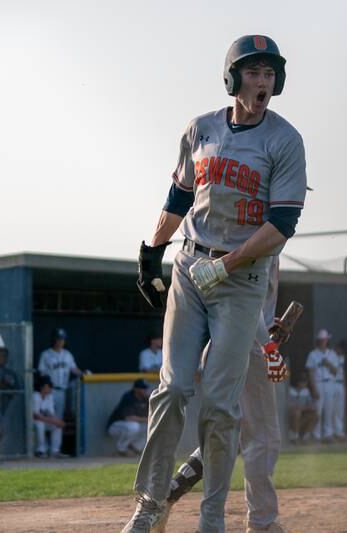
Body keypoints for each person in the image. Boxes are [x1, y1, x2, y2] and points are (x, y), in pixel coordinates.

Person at [122, 34, 307, 533]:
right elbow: (178, 198)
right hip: (190, 267)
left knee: (223, 407)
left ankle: (212, 519)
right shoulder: (200, 129)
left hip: (243, 278)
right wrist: (151, 253)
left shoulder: (284, 141)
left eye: (269, 74)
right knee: (173, 388)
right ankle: (149, 504)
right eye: (253, 72)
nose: (262, 82)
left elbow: (282, 225)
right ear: (233, 78)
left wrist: (227, 266)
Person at [155, 257, 291, 533]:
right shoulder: (259, 244)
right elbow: (246, 305)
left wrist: (267, 327)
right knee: (262, 437)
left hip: (223, 343)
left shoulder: (228, 241)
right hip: (249, 347)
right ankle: (262, 522)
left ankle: (168, 494)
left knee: (226, 434)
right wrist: (267, 346)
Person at [37, 328, 88, 421]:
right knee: (46, 417)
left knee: (58, 419)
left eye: (62, 339)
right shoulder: (45, 354)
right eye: (58, 339)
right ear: (53, 339)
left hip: (62, 391)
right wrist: (44, 390)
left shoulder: (67, 354)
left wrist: (83, 373)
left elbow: (73, 368)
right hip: (49, 391)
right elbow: (41, 373)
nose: (61, 341)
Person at [305, 329, 338, 443]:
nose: (323, 342)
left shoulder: (332, 354)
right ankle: (316, 435)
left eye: (325, 340)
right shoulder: (313, 354)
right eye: (321, 340)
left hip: (329, 383)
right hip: (318, 383)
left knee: (329, 409)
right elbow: (310, 372)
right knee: (318, 410)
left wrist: (328, 363)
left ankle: (328, 434)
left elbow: (335, 371)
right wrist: (314, 388)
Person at [108, 379, 151, 456]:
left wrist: (151, 399)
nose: (145, 390)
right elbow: (129, 418)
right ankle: (121, 449)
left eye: (145, 388)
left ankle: (135, 447)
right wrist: (148, 419)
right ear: (136, 389)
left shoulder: (146, 398)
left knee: (151, 426)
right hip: (115, 426)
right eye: (142, 388)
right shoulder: (128, 397)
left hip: (131, 425)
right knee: (134, 426)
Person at [32, 375, 67, 458]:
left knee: (57, 426)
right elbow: (36, 415)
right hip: (33, 421)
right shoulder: (35, 396)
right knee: (40, 425)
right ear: (42, 387)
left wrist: (57, 421)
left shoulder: (49, 396)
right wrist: (53, 421)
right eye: (47, 386)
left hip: (44, 420)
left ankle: (55, 451)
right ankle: (40, 451)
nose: (50, 388)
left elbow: (51, 413)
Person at [287, 373, 318, 444]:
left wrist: (304, 408)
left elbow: (312, 406)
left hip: (302, 414)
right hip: (290, 416)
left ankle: (305, 437)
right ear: (298, 383)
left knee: (315, 416)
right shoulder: (290, 391)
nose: (305, 384)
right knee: (297, 413)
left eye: (306, 382)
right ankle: (295, 437)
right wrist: (304, 408)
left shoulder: (306, 391)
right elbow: (291, 407)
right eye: (303, 382)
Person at [331, 340, 347, 441]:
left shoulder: (342, 357)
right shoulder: (331, 355)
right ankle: (332, 432)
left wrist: (345, 386)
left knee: (340, 410)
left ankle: (339, 432)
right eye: (341, 349)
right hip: (332, 383)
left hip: (340, 384)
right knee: (332, 410)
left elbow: (343, 372)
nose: (342, 351)